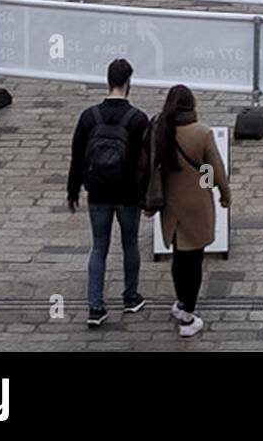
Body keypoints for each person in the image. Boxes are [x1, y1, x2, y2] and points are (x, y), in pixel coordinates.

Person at [67, 58, 151, 328]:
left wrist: (73, 190)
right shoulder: (137, 119)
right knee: (130, 243)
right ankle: (130, 296)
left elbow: (77, 156)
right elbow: (145, 161)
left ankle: (95, 307)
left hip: (98, 192)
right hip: (127, 193)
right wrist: (146, 194)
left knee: (99, 246)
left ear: (108, 80)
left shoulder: (89, 116)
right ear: (128, 83)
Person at [149, 84, 231, 338]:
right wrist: (221, 193)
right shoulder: (202, 133)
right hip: (197, 206)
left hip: (171, 205)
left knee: (178, 257)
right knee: (194, 262)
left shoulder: (160, 130)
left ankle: (181, 302)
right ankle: (188, 315)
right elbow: (212, 169)